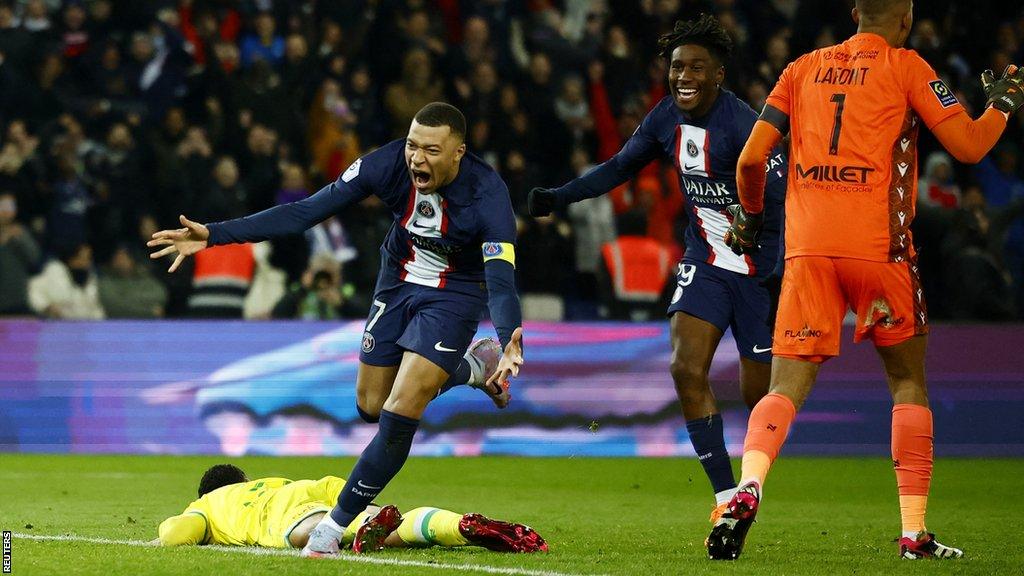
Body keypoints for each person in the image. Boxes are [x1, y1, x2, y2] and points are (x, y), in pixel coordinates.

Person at [715, 0, 1023, 561]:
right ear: (904, 21)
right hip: (879, 252)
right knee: (907, 384)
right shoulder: (907, 66)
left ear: (855, 11)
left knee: (784, 387)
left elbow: (750, 160)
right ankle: (913, 532)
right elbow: (971, 146)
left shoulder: (800, 68)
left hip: (808, 253)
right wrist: (1003, 102)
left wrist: (752, 217)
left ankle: (749, 485)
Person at [148, 102, 524, 557]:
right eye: (411, 146)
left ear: (459, 152)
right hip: (398, 278)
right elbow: (306, 211)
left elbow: (501, 280)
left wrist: (508, 337)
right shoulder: (385, 165)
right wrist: (214, 234)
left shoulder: (489, 196)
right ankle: (472, 369)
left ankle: (332, 529)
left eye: (430, 150)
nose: (416, 159)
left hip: (456, 294)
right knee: (371, 404)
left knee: (402, 410)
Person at [529, 14, 787, 531]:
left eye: (695, 67)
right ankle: (725, 497)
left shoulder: (744, 126)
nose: (682, 77)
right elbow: (620, 166)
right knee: (685, 369)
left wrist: (748, 221)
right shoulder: (666, 116)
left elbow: (780, 194)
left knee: (760, 397)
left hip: (759, 274)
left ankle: (753, 482)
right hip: (705, 265)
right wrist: (561, 196)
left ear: (719, 74)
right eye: (675, 67)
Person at [156, 464, 547, 553]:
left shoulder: (207, 504)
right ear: (243, 479)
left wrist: (171, 530)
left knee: (307, 534)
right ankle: (459, 524)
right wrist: (371, 509)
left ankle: (354, 533)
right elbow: (337, 488)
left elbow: (176, 534)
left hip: (285, 518)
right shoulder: (274, 481)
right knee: (396, 528)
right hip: (310, 492)